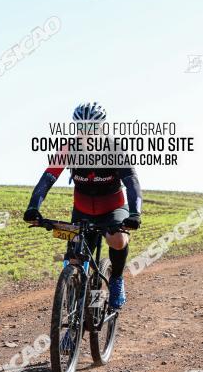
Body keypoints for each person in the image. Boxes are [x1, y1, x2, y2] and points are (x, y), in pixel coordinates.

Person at [23, 102, 142, 308]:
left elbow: (131, 180)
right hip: (83, 210)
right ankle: (74, 315)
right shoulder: (68, 149)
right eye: (82, 127)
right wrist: (34, 207)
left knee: (118, 240)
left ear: (102, 128)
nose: (86, 133)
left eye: (92, 128)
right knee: (74, 261)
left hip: (112, 208)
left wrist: (134, 213)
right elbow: (48, 178)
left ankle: (116, 280)